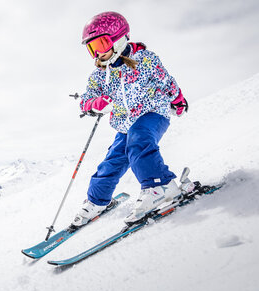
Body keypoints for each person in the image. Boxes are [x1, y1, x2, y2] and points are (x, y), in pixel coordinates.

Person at [72, 11, 189, 227]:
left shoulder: (145, 59)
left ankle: (160, 186)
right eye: (91, 48)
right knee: (113, 160)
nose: (97, 53)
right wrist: (94, 104)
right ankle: (97, 200)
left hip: (153, 113)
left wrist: (178, 101)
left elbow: (166, 81)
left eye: (101, 44)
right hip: (125, 124)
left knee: (139, 139)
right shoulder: (99, 75)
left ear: (118, 39)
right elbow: (86, 99)